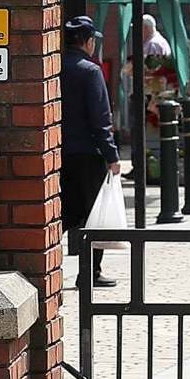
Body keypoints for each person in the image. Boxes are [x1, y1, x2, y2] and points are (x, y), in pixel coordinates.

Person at [61, 17, 120, 289]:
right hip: (87, 154)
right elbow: (100, 118)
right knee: (93, 217)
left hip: (58, 154)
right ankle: (90, 273)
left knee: (61, 214)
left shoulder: (55, 67)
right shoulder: (90, 71)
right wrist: (112, 155)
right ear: (88, 42)